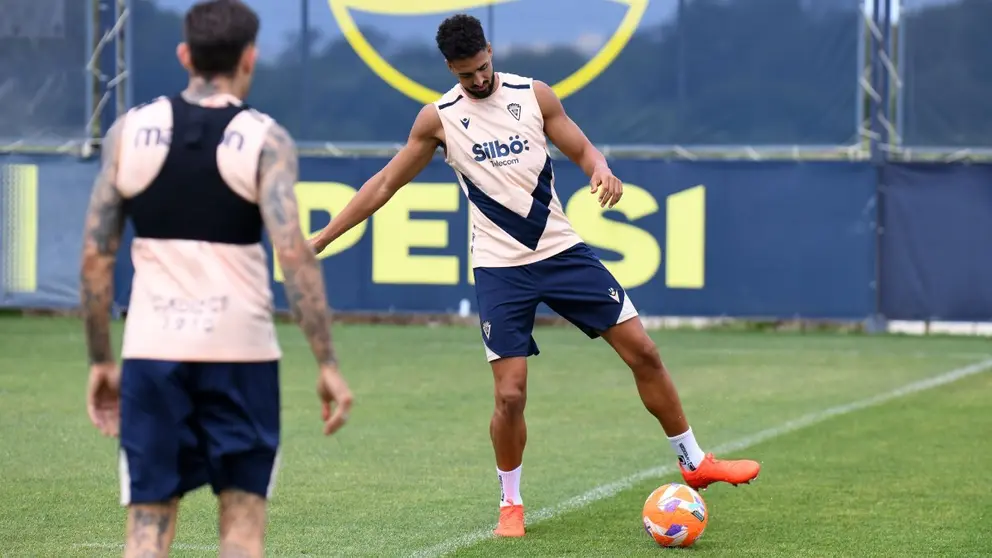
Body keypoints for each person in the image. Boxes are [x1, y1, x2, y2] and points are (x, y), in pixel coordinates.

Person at [310, 13, 759, 538]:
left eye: (480, 68)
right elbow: (385, 183)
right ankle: (511, 503)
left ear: (490, 52)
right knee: (510, 395)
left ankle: (693, 460)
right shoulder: (438, 119)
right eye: (464, 75)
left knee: (645, 351)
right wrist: (320, 239)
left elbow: (582, 148)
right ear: (450, 70)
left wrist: (600, 169)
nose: (476, 81)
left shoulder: (534, 95)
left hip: (562, 252)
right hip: (501, 270)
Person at [78, 1, 353, 556]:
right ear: (249, 58)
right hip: (242, 356)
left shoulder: (129, 133)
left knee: (147, 531)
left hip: (153, 356)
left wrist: (102, 361)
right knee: (243, 529)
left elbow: (95, 259)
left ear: (185, 55)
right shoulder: (265, 139)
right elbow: (295, 256)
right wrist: (326, 362)